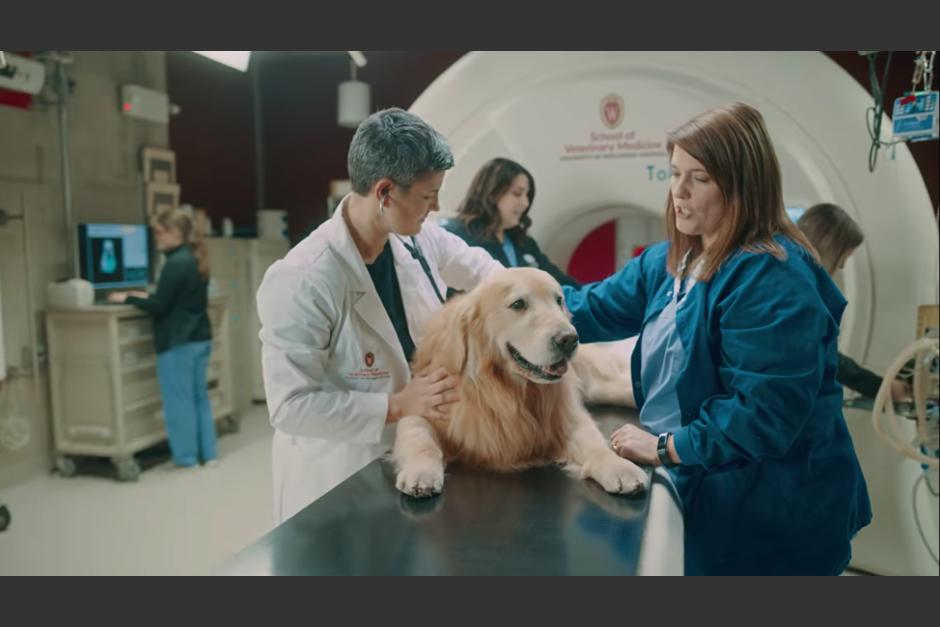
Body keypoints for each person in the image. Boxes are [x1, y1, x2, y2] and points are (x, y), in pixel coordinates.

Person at [563, 103, 872, 575]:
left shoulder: (770, 274)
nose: (679, 193)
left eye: (700, 178)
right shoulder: (671, 261)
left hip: (773, 513)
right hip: (712, 486)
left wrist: (664, 447)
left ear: (743, 184)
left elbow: (762, 413)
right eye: (673, 173)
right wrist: (501, 300)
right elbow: (588, 310)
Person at [256, 108, 502, 525]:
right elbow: (290, 407)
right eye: (428, 195)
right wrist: (396, 405)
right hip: (339, 477)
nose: (436, 206)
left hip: (415, 456)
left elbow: (484, 273)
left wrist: (529, 304)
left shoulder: (419, 239)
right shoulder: (303, 278)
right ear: (385, 192)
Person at [108, 208, 217, 469]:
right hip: (199, 338)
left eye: (160, 231)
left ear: (175, 233)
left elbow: (159, 306)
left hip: (179, 343)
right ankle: (208, 454)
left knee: (179, 402)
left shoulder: (175, 264)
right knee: (199, 397)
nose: (156, 237)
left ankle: (187, 458)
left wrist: (129, 298)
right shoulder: (193, 258)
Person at [797, 203, 910, 401]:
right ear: (829, 248)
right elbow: (827, 357)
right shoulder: (800, 292)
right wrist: (882, 388)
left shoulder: (787, 278)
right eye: (842, 260)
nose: (840, 267)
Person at [443, 157, 581, 288]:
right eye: (517, 194)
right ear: (492, 193)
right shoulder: (457, 237)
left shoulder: (524, 243)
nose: (525, 203)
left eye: (527, 195)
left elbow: (558, 282)